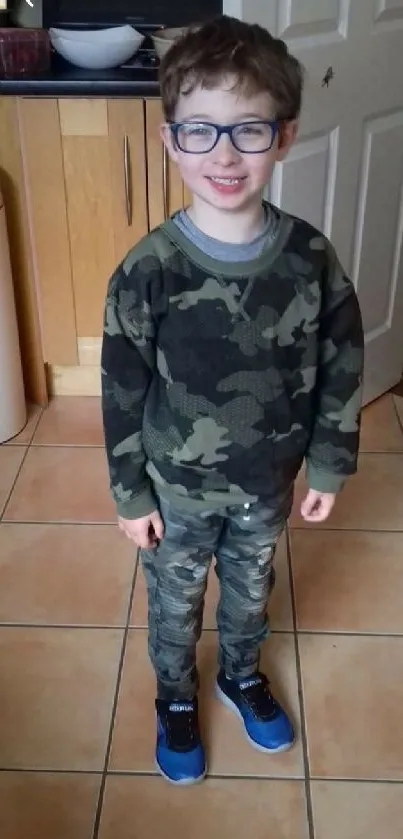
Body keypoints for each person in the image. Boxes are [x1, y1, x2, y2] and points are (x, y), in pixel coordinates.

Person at [101, 14, 364, 786]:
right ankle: (175, 695)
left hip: (265, 482)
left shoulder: (310, 259)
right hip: (176, 490)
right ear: (169, 138)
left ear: (283, 137)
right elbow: (121, 389)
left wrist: (326, 464)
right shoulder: (147, 271)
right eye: (201, 131)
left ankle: (240, 672)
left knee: (250, 593)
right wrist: (129, 492)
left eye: (248, 130)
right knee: (175, 602)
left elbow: (341, 360)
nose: (223, 154)